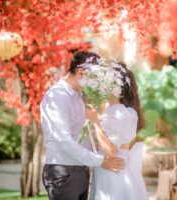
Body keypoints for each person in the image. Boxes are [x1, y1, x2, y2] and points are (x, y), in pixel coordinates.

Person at [40, 51, 125, 200]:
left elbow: (81, 135)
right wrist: (99, 161)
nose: (97, 84)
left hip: (81, 169)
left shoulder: (78, 96)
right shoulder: (58, 96)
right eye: (95, 79)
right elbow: (63, 140)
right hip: (63, 172)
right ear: (81, 73)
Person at [87, 62, 148, 200]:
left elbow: (112, 150)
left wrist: (95, 122)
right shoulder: (110, 110)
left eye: (106, 82)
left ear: (118, 87)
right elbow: (106, 144)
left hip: (114, 174)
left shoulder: (123, 113)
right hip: (105, 170)